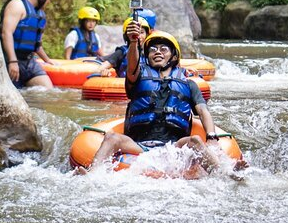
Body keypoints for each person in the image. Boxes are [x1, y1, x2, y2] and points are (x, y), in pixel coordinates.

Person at [79, 25, 228, 175]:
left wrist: (211, 136)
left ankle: (224, 173)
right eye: (153, 49)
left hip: (174, 146)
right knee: (111, 137)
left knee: (195, 140)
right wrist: (133, 43)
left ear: (174, 56)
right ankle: (92, 175)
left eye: (163, 49)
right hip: (139, 146)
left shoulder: (189, 84)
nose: (157, 51)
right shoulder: (137, 78)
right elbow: (132, 67)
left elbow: (203, 111)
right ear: (147, 56)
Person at [0, 0, 58, 89]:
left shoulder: (39, 14)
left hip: (29, 61)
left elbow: (37, 44)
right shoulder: (17, 5)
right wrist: (12, 61)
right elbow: (6, 33)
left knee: (48, 90)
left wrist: (48, 60)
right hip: (9, 59)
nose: (49, 2)